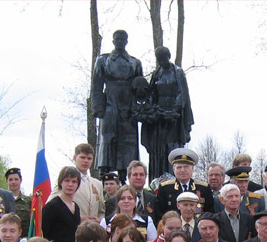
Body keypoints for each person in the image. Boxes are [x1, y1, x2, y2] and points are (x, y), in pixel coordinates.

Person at [91, 30, 143, 180]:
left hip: (128, 104)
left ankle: (124, 174)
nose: (120, 41)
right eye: (117, 39)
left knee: (127, 140)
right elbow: (96, 85)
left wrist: (139, 104)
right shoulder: (103, 60)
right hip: (110, 102)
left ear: (127, 41)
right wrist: (98, 108)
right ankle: (103, 173)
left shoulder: (135, 62)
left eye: (123, 39)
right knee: (107, 137)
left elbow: (140, 86)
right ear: (113, 41)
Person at [143, 46, 193, 180]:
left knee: (172, 149)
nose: (161, 62)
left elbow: (182, 93)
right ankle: (157, 181)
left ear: (168, 57)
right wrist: (154, 110)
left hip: (173, 119)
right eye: (159, 59)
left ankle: (174, 179)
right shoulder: (156, 74)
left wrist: (174, 110)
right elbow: (152, 95)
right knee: (158, 151)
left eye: (163, 58)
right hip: (159, 120)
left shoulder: (177, 72)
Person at [154, 148, 214, 221]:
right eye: (179, 167)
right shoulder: (165, 188)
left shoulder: (203, 188)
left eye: (186, 167)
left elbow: (210, 214)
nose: (182, 170)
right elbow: (159, 215)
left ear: (192, 169)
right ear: (174, 170)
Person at [42, 166, 81, 242]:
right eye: (67, 180)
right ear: (61, 182)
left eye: (74, 181)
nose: (70, 184)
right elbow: (44, 234)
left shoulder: (77, 207)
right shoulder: (51, 206)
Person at [70, 143, 105, 222]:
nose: (86, 161)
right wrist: (77, 219)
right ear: (75, 158)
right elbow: (53, 206)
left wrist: (99, 221)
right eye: (82, 157)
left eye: (89, 158)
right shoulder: (66, 181)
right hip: (73, 230)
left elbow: (101, 211)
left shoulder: (97, 184)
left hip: (93, 231)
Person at [5, 168, 31, 235]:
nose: (13, 182)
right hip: (6, 238)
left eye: (16, 179)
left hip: (23, 239)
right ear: (6, 181)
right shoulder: (1, 200)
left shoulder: (29, 201)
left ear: (20, 180)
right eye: (10, 180)